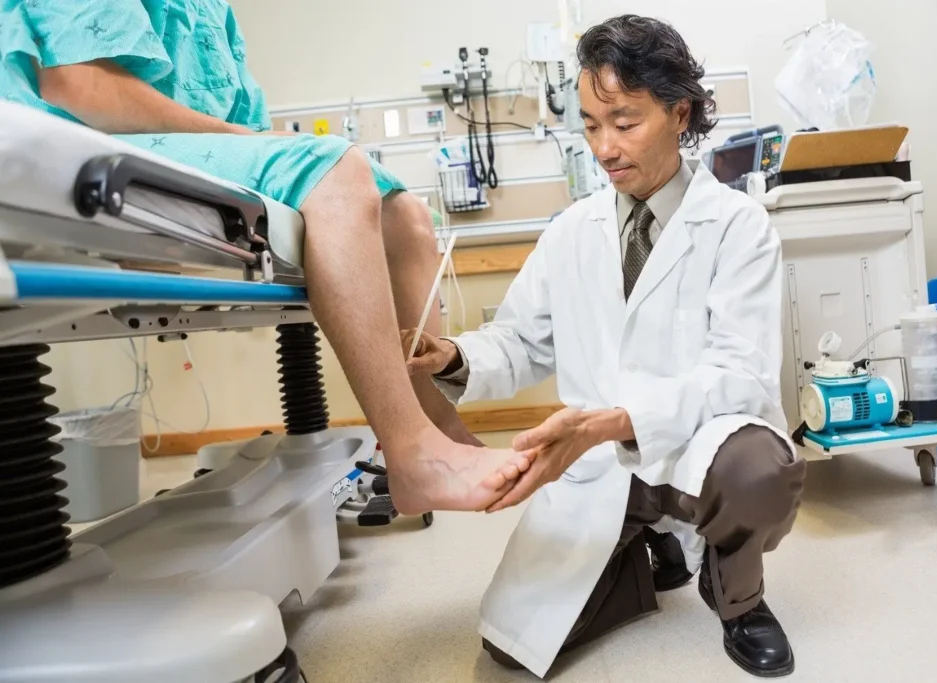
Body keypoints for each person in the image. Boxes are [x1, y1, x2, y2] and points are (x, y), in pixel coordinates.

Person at [0, 0, 535, 514]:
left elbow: (242, 117)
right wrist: (254, 140)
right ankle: (410, 453)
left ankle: (439, 426)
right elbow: (79, 85)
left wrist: (259, 139)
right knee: (335, 171)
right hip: (88, 139)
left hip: (176, 146)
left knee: (408, 215)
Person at [402, 14, 808, 680]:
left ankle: (736, 593)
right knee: (511, 646)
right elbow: (521, 341)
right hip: (599, 467)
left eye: (624, 122)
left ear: (680, 114)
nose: (605, 147)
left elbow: (741, 375)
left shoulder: (738, 226)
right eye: (591, 125)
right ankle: (653, 549)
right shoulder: (571, 232)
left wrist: (615, 421)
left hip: (700, 445)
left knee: (759, 470)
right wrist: (453, 356)